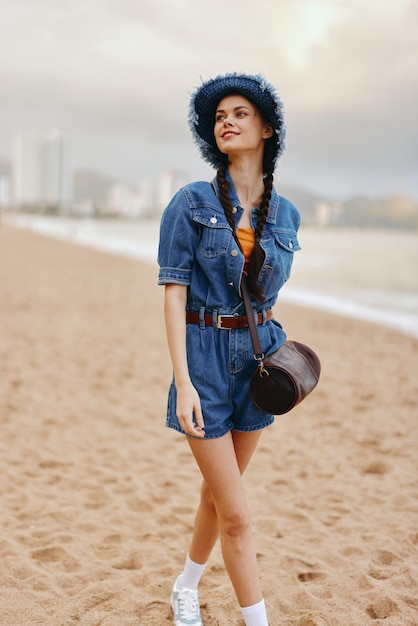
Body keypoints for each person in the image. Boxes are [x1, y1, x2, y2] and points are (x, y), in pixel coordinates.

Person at [157, 73, 301, 626]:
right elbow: (173, 295)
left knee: (219, 496)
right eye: (219, 116)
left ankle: (185, 585)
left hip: (260, 359)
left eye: (240, 113)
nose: (227, 121)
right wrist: (184, 381)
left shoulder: (285, 214)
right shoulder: (189, 203)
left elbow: (265, 295)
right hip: (204, 360)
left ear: (266, 128)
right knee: (237, 514)